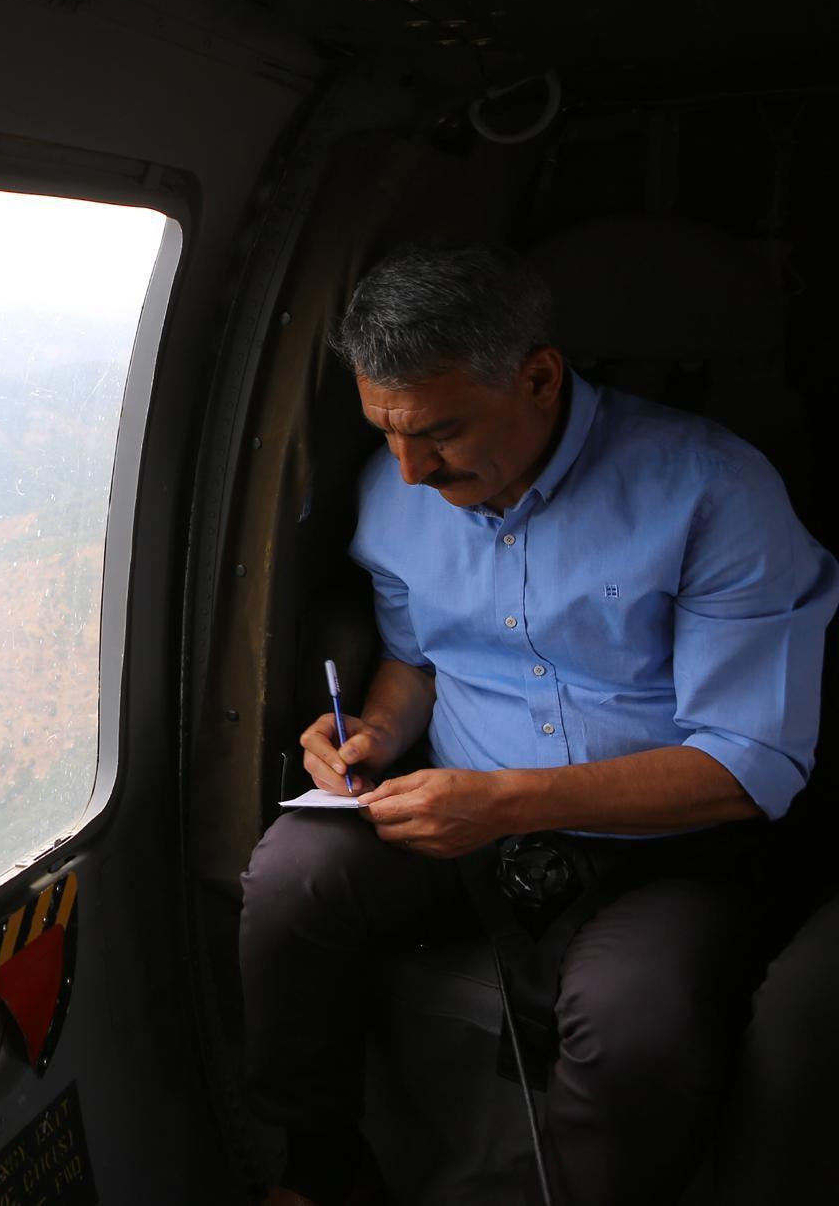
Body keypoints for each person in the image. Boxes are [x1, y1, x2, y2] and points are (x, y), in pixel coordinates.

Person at [239, 244, 839, 1206]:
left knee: (636, 1025)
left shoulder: (715, 492)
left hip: (666, 846)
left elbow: (747, 765)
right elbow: (419, 656)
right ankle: (317, 1163)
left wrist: (504, 803)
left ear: (539, 376)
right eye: (385, 432)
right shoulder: (394, 492)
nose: (410, 468)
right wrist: (374, 736)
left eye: (439, 431)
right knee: (292, 876)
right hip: (470, 812)